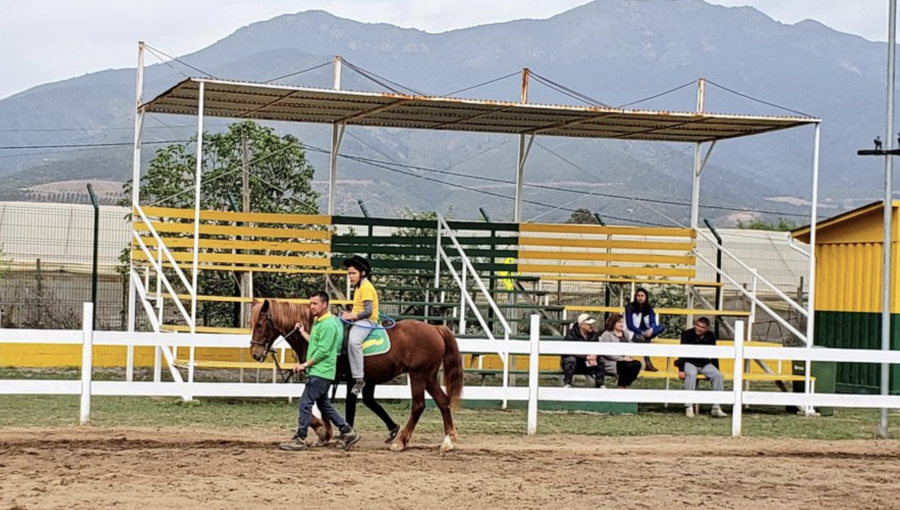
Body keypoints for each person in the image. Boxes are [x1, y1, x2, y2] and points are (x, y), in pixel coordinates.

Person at [279, 291, 362, 451]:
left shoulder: (329, 324)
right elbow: (315, 342)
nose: (311, 307)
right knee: (325, 406)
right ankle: (348, 432)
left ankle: (300, 438)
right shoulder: (319, 322)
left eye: (315, 304)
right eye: (311, 303)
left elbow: (323, 350)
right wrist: (303, 332)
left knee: (305, 404)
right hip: (320, 371)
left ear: (324, 304)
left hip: (321, 372)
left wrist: (304, 364)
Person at [342, 255, 380, 396]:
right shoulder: (358, 286)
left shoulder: (366, 287)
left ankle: (359, 379)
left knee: (354, 342)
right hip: (357, 319)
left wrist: (351, 316)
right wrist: (348, 313)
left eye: (353, 273)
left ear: (362, 273)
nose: (350, 276)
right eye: (349, 273)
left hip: (367, 321)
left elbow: (368, 311)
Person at [675, 317, 728, 418]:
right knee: (691, 374)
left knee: (718, 376)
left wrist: (716, 369)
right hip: (689, 362)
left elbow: (714, 355)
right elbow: (682, 352)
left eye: (702, 327)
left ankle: (716, 407)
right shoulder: (686, 334)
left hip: (704, 363)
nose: (699, 328)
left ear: (707, 328)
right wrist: (681, 370)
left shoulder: (711, 336)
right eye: (698, 325)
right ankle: (689, 406)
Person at [624, 287, 666, 372]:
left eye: (642, 295)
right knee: (644, 340)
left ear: (646, 297)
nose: (640, 297)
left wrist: (651, 330)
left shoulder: (649, 308)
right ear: (635, 296)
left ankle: (646, 338)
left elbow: (653, 323)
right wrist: (642, 332)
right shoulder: (629, 307)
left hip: (647, 332)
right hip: (634, 332)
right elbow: (630, 325)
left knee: (662, 327)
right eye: (638, 295)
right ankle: (648, 364)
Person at [598, 313, 642, 389]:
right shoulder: (607, 334)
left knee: (637, 364)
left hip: (625, 359)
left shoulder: (625, 333)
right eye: (619, 322)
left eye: (622, 322)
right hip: (612, 361)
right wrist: (622, 358)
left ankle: (625, 385)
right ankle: (621, 386)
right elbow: (606, 352)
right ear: (613, 323)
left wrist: (631, 353)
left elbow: (630, 344)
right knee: (628, 366)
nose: (622, 324)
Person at [560, 313, 603, 388]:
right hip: (576, 361)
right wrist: (586, 357)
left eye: (592, 324)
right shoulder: (571, 334)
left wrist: (595, 356)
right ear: (581, 325)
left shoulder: (594, 335)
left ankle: (600, 384)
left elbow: (598, 348)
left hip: (588, 362)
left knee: (601, 361)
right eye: (588, 324)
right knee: (570, 359)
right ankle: (567, 383)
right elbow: (569, 351)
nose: (591, 326)